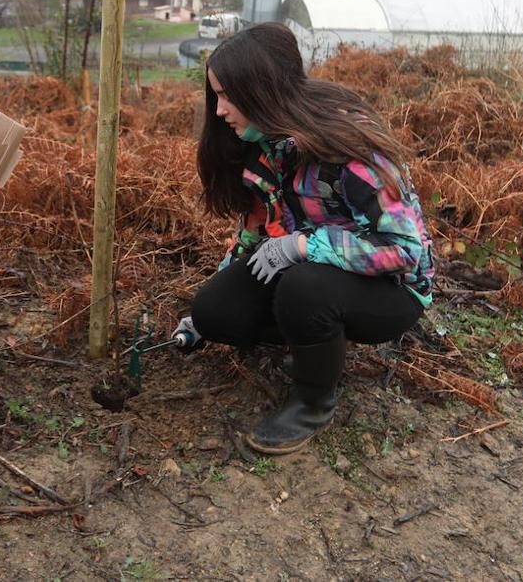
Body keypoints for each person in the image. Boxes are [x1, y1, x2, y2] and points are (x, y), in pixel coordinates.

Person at [177, 23, 434, 455]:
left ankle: (313, 399)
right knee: (216, 311)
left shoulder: (347, 149)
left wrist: (302, 246)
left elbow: (405, 250)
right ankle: (317, 338)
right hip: (315, 273)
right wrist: (207, 310)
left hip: (390, 292)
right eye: (215, 95)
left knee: (305, 287)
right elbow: (255, 231)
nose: (219, 111)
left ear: (261, 90)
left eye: (227, 96)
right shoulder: (265, 145)